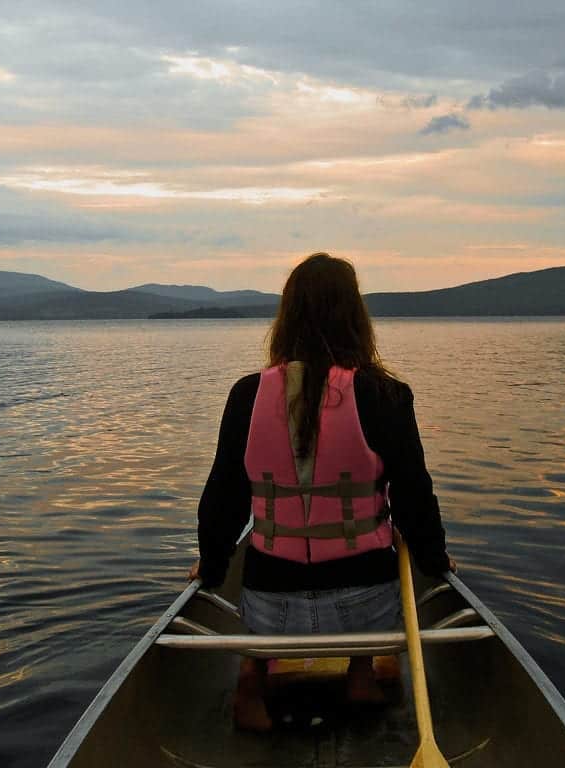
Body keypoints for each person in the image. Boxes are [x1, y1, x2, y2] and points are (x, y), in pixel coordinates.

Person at [189, 252, 454, 732]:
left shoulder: (246, 394)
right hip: (366, 604)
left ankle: (252, 674)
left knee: (258, 579)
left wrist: (210, 568)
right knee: (382, 547)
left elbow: (223, 501)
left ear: (286, 317)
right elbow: (415, 499)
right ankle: (360, 672)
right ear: (355, 317)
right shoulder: (387, 395)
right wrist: (435, 562)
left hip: (272, 608)